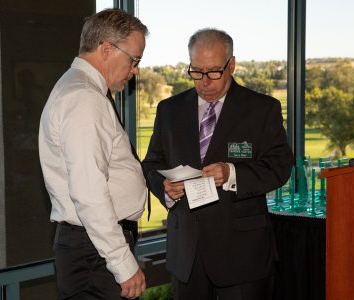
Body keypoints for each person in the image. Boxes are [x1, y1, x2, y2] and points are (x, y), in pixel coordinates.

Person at [143, 28, 294, 300]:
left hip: (242, 254)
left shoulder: (262, 109)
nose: (204, 82)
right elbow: (151, 163)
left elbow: (280, 165)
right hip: (186, 254)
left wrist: (232, 173)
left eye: (214, 71)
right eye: (197, 71)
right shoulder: (169, 110)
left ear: (231, 65)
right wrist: (164, 188)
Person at [39, 8, 148, 300]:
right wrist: (123, 264)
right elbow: (88, 192)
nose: (135, 69)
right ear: (107, 48)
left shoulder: (79, 89)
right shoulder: (85, 97)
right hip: (94, 253)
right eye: (134, 59)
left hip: (91, 247)